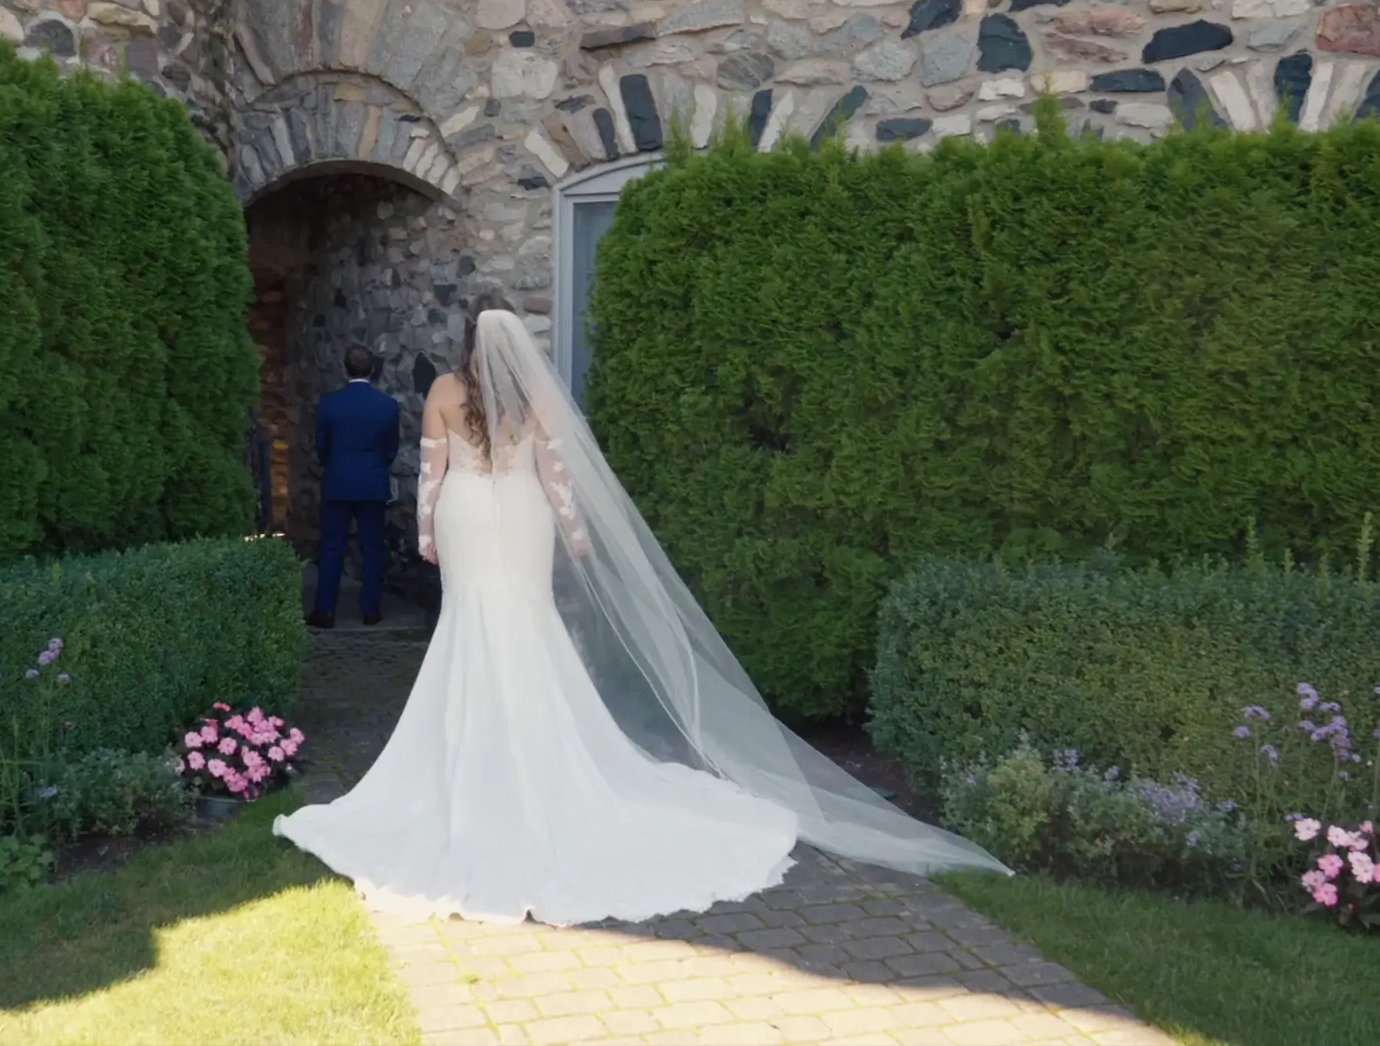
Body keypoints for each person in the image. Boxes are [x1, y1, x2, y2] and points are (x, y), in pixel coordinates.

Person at [273, 297, 1008, 926]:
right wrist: (578, 535)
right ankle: (538, 748)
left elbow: (431, 477)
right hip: (522, 514)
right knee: (526, 618)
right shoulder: (533, 397)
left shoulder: (444, 393)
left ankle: (477, 754)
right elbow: (557, 477)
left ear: (467, 342)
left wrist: (428, 535)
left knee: (474, 621)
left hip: (468, 515)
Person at [308, 344, 400, 630]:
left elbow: (321, 447)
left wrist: (333, 464)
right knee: (372, 547)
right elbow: (390, 448)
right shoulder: (387, 405)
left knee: (332, 546)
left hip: (338, 481)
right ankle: (371, 610)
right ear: (372, 369)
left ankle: (325, 611)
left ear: (344, 367)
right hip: (372, 482)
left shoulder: (329, 404)